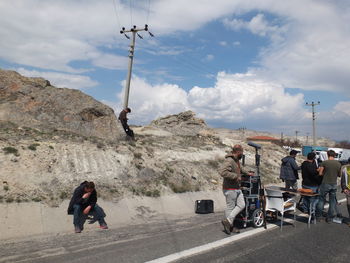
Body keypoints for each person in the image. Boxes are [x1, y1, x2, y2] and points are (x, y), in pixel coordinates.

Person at [219, 144, 250, 235]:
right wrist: (235, 176)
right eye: (242, 152)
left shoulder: (236, 161)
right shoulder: (229, 160)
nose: (242, 154)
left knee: (242, 204)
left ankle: (228, 221)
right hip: (229, 188)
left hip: (236, 187)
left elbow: (240, 169)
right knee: (230, 207)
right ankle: (230, 227)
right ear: (238, 152)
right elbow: (222, 172)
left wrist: (248, 173)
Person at [315, 150, 342, 223]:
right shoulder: (338, 163)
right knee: (332, 201)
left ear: (327, 154)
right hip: (334, 184)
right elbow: (339, 175)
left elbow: (320, 173)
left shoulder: (325, 162)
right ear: (334, 155)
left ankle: (318, 216)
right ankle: (329, 218)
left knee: (321, 200)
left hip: (325, 183)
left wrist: (325, 173)